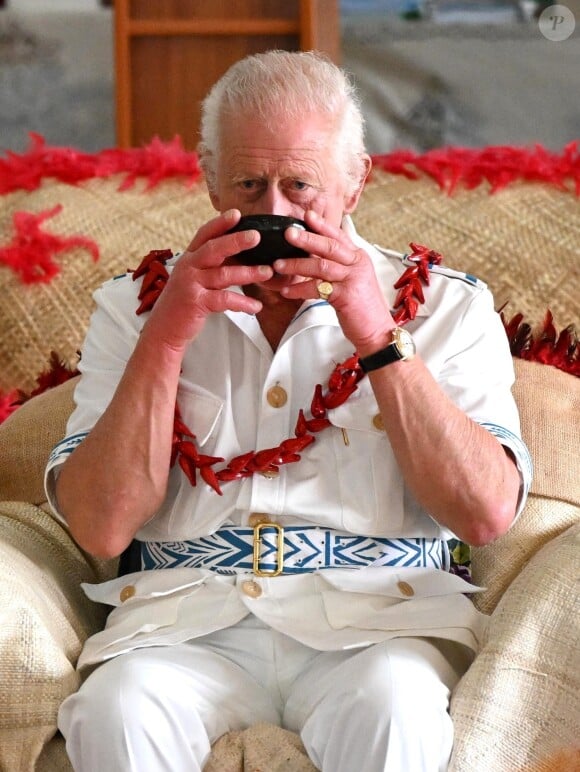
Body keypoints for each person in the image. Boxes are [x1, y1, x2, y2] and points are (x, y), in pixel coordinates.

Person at [45, 50, 531, 771]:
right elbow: (99, 524)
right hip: (187, 626)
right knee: (116, 708)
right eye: (248, 183)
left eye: (300, 185)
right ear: (210, 178)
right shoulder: (136, 306)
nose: (274, 213)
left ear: (355, 180)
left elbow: (487, 514)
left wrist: (376, 335)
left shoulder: (447, 305)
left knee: (395, 706)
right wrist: (167, 337)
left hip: (382, 623)